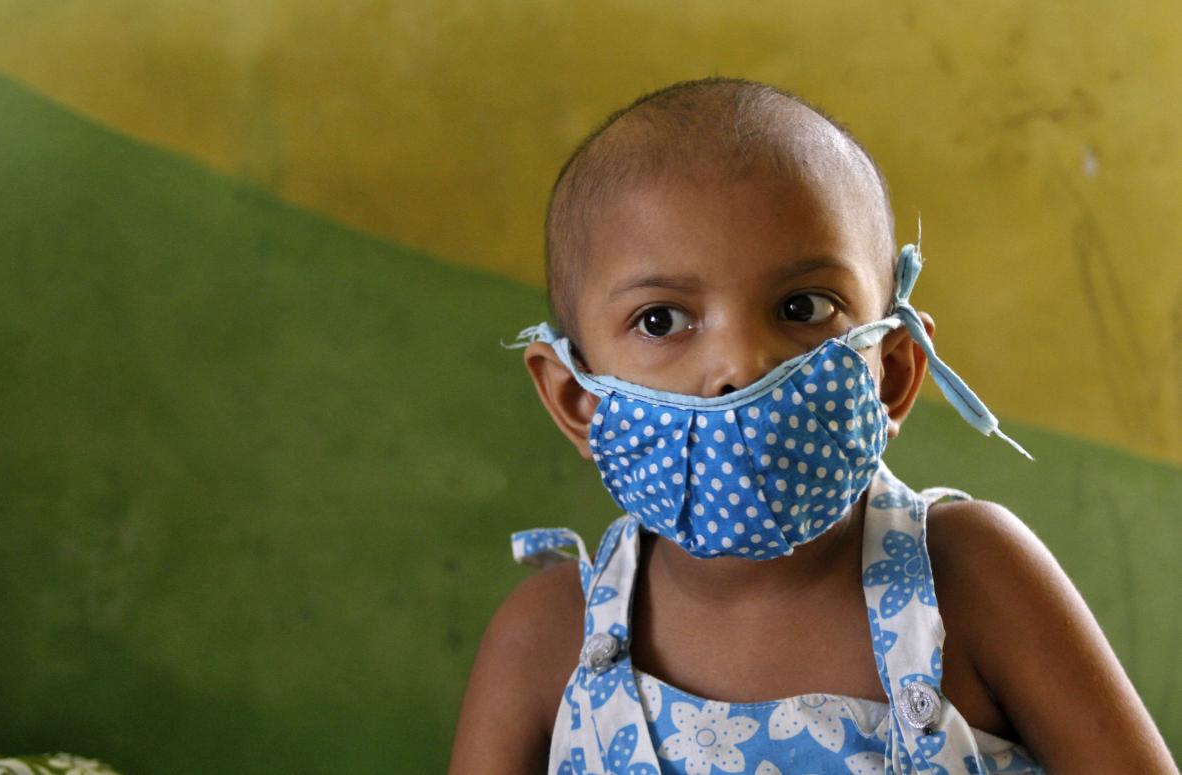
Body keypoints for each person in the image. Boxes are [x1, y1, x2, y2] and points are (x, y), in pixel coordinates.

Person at [449, 78, 1175, 774]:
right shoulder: (545, 638)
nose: (740, 364)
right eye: (661, 319)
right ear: (578, 401)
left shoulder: (975, 579)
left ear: (890, 372)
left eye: (802, 308)